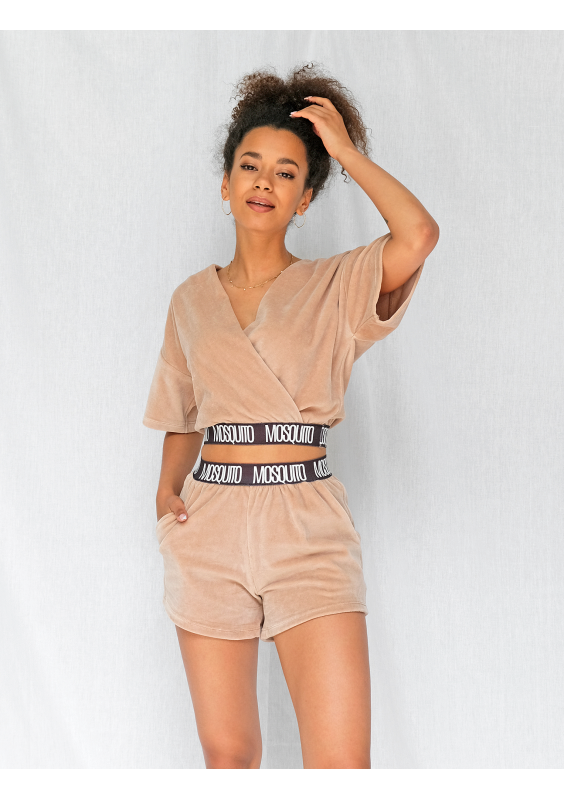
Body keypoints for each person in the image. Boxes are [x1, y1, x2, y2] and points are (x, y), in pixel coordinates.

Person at [143, 63, 439, 769]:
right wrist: (166, 489)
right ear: (225, 183)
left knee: (341, 765)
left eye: (286, 173)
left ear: (305, 198)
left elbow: (418, 234)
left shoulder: (335, 284)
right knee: (229, 759)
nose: (264, 182)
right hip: (209, 528)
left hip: (306, 528)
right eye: (250, 166)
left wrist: (346, 153)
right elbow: (182, 410)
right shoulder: (190, 300)